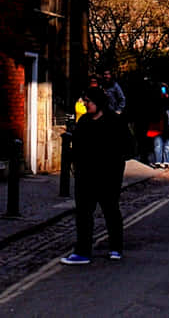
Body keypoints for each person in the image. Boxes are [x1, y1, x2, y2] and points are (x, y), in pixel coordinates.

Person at [61, 86, 129, 265]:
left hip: (108, 176)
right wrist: (72, 157)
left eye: (88, 101)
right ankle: (83, 251)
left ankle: (116, 248)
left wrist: (115, 166)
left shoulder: (115, 121)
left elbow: (127, 146)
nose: (85, 105)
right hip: (85, 175)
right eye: (84, 101)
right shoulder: (84, 121)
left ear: (98, 102)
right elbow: (77, 146)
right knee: (83, 214)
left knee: (111, 211)